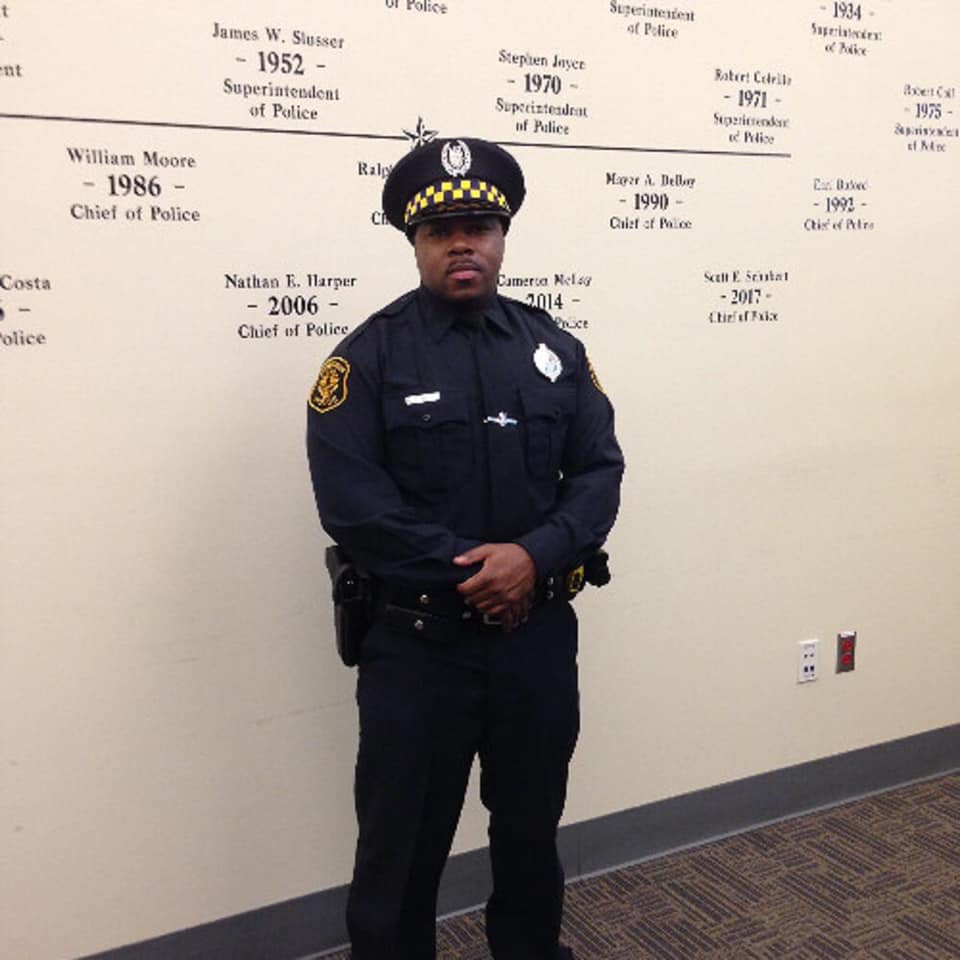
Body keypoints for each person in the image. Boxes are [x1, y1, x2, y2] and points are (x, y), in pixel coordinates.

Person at [306, 136, 624, 960]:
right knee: (400, 851)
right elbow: (354, 508)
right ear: (414, 243)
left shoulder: (554, 352)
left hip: (535, 642)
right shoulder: (365, 360)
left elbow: (598, 472)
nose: (461, 244)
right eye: (440, 231)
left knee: (531, 833)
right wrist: (486, 571)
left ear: (502, 236)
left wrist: (535, 557)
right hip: (419, 651)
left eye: (478, 227)